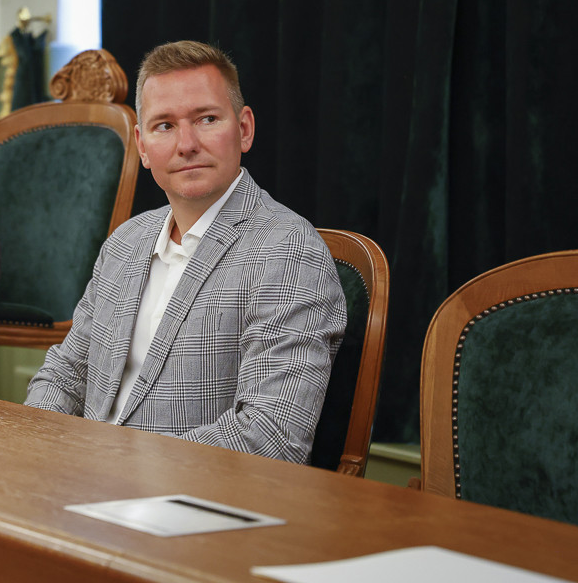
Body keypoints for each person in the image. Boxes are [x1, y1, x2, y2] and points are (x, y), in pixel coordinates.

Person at [25, 40, 346, 463]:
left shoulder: (287, 253)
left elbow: (271, 436)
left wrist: (113, 467)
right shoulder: (125, 242)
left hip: (192, 497)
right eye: (164, 126)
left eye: (207, 119)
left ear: (244, 129)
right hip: (79, 478)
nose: (186, 144)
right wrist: (37, 449)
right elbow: (65, 375)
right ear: (142, 146)